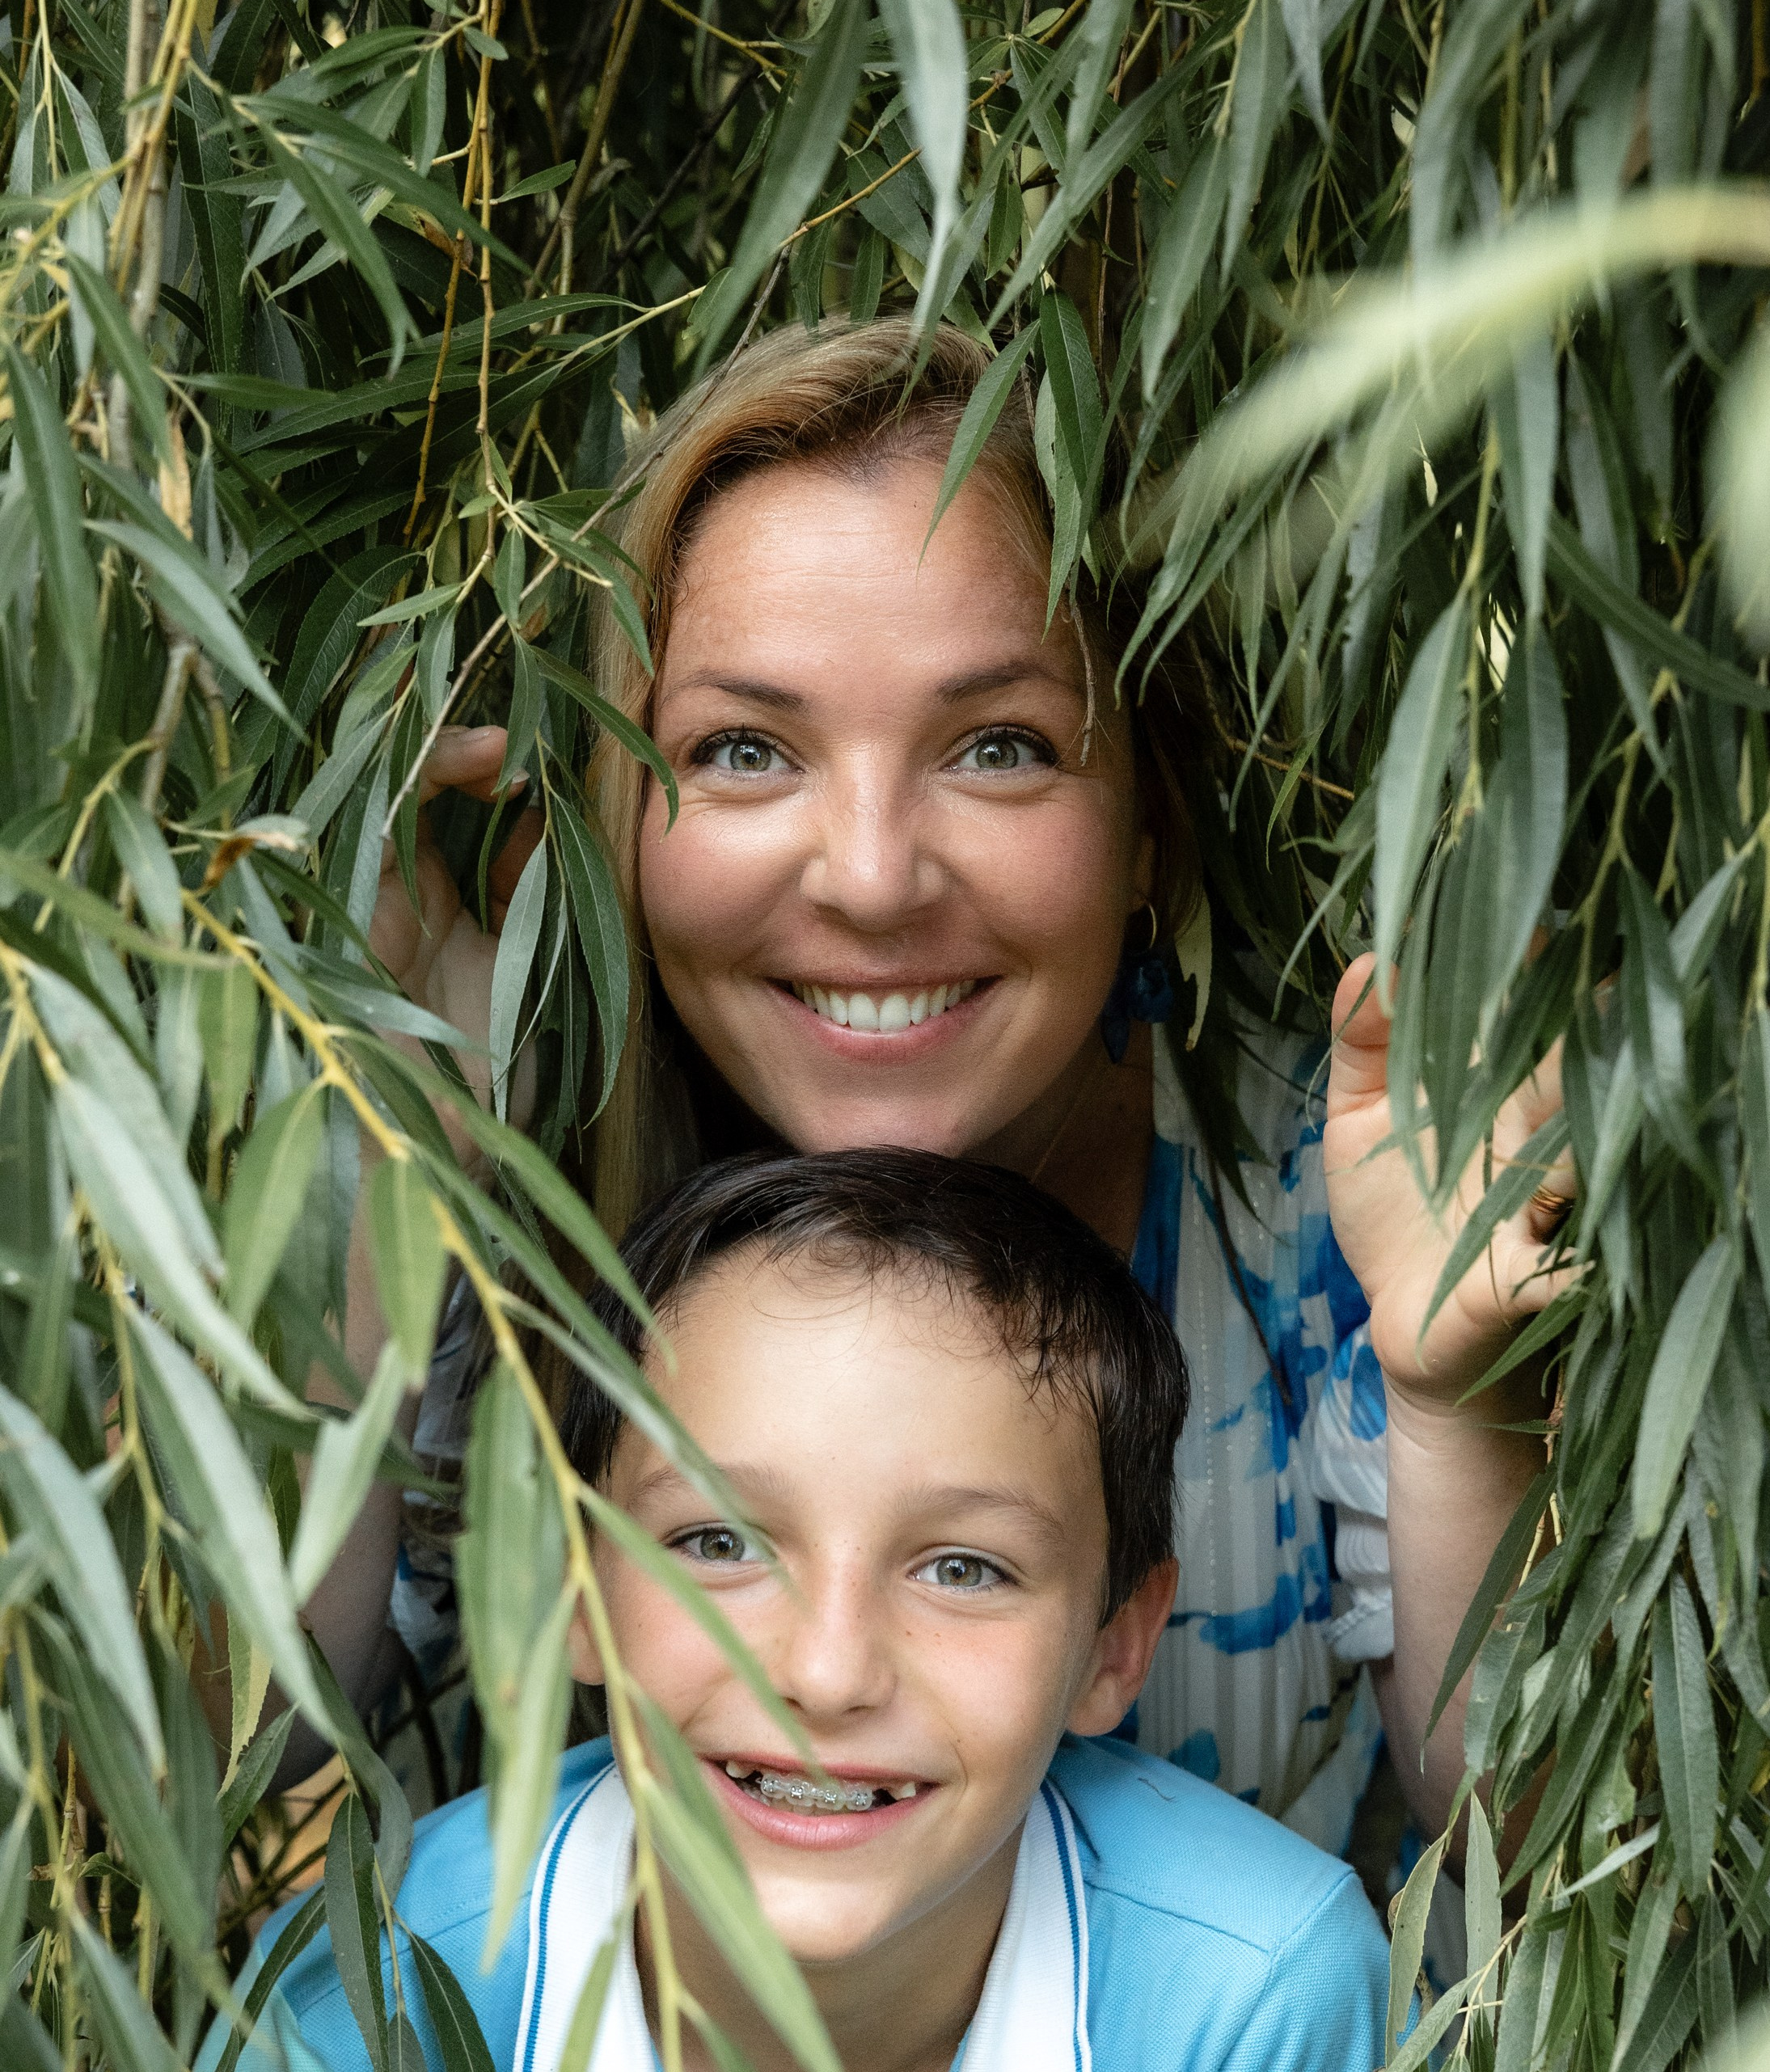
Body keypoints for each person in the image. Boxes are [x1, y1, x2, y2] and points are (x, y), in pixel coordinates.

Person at [319, 316, 1569, 1863]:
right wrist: (376, 1141)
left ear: (1146, 823)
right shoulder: (528, 1188)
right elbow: (214, 1755)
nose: (870, 877)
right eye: (743, 750)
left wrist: (1448, 1399)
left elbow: (1540, 1855)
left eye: (995, 747)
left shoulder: (1323, 1182)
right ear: (613, 820)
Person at [201, 1151, 1424, 2072]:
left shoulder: (1255, 2001)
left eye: (962, 1567)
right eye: (716, 1541)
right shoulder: (369, 2002)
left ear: (1114, 1642)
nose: (826, 1672)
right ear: (577, 1586)